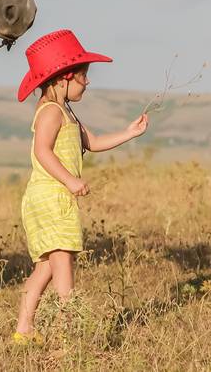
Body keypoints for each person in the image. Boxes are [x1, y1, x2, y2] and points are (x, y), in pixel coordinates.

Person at [12, 29, 148, 344]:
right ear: (65, 77)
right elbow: (42, 151)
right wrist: (70, 180)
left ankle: (24, 330)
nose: (87, 82)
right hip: (52, 197)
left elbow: (95, 142)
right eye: (83, 76)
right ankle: (67, 332)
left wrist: (130, 133)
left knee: (46, 267)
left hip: (52, 197)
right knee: (63, 267)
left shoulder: (66, 112)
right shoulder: (50, 112)